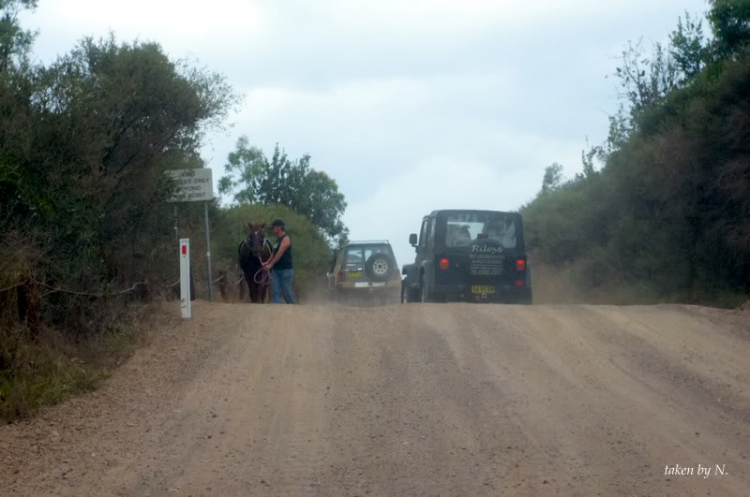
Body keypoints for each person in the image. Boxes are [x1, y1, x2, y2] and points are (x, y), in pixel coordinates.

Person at [262, 219, 296, 304]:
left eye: (273, 227)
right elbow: (274, 253)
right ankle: (276, 314)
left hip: (286, 270)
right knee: (276, 293)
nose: (273, 229)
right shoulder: (277, 240)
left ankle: (295, 311)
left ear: (279, 227)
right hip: (276, 270)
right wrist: (267, 262)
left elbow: (280, 253)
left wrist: (270, 265)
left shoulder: (286, 239)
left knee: (286, 292)